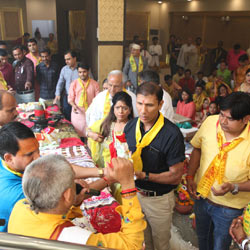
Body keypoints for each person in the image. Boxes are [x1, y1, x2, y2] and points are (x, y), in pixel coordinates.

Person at [8, 155, 146, 250]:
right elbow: (133, 245)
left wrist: (74, 202)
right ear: (67, 195)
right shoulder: (72, 239)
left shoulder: (21, 206)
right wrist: (128, 185)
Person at [0, 121, 110, 232]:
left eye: (38, 151)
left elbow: (58, 168)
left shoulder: (10, 162)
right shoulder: (14, 192)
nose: (38, 158)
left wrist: (101, 172)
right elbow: (69, 198)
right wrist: (108, 179)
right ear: (9, 158)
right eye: (30, 155)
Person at [124, 82, 185, 250]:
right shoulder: (131, 126)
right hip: (135, 194)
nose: (143, 110)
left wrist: (145, 176)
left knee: (160, 243)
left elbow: (175, 176)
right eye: (139, 103)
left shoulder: (171, 134)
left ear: (160, 104)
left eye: (150, 105)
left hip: (158, 199)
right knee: (142, 241)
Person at [187, 91, 250, 250]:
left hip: (229, 208)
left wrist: (234, 187)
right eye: (221, 114)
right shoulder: (210, 122)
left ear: (246, 119)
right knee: (202, 238)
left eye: (230, 118)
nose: (223, 121)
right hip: (202, 197)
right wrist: (189, 177)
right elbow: (197, 149)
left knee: (220, 245)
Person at [88, 91, 133, 169]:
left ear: (130, 110)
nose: (120, 111)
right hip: (108, 167)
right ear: (113, 109)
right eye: (117, 107)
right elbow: (88, 130)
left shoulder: (133, 126)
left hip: (126, 167)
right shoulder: (107, 124)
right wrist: (92, 135)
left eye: (125, 108)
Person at [68, 63, 99, 138]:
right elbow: (70, 98)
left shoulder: (95, 84)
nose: (82, 74)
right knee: (77, 135)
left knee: (89, 135)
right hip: (78, 113)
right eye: (80, 72)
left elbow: (98, 100)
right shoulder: (74, 84)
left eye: (84, 72)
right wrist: (74, 106)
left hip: (90, 113)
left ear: (88, 71)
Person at [54, 50, 78, 121]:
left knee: (77, 115)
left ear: (75, 58)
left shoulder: (81, 69)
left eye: (68, 59)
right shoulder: (64, 69)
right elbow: (60, 83)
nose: (66, 61)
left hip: (78, 97)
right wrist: (57, 94)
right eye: (65, 60)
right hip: (67, 96)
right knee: (67, 115)